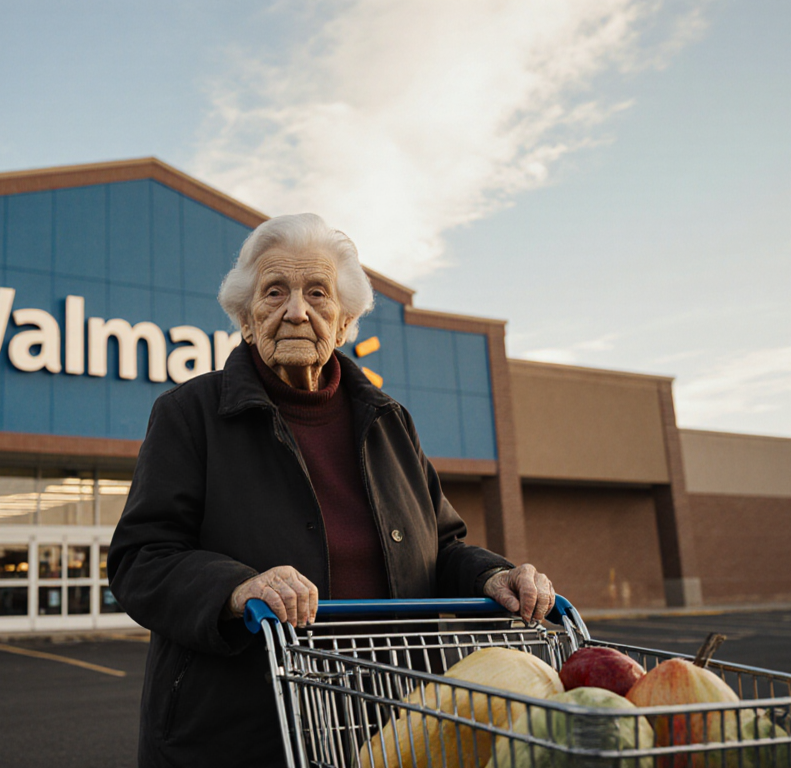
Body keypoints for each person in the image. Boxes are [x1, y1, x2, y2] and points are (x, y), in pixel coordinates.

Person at [109, 213, 555, 767]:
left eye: (316, 293)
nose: (297, 310)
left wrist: (495, 573)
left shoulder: (390, 421)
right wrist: (239, 587)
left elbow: (442, 545)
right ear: (247, 321)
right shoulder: (189, 414)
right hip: (240, 733)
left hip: (391, 729)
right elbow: (141, 560)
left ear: (343, 324)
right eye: (275, 292)